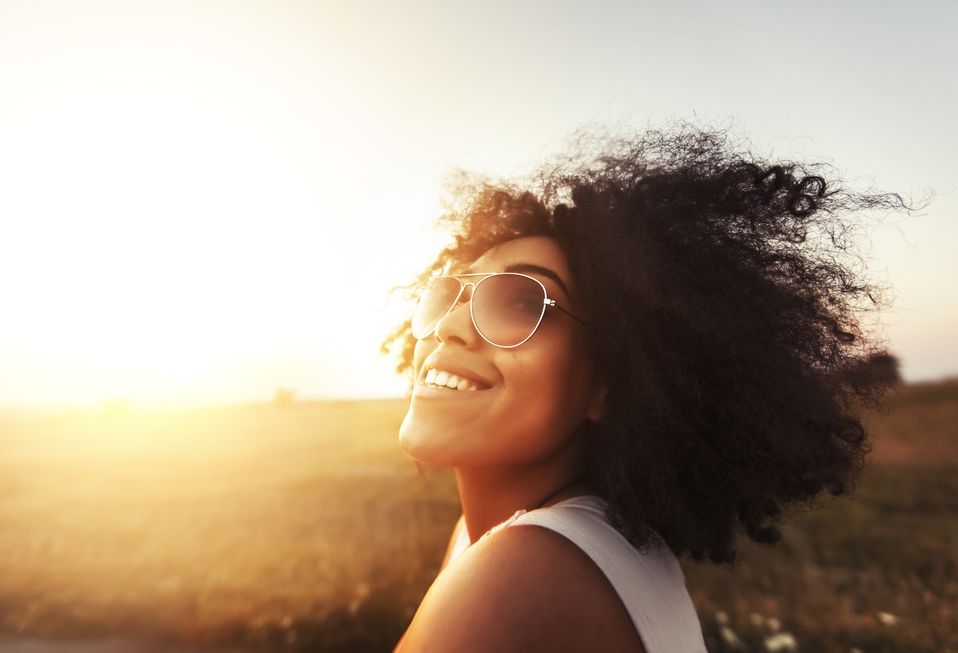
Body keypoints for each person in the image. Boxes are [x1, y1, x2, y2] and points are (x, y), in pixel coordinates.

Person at [380, 124, 906, 652]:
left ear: (609, 382)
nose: (450, 325)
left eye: (520, 302)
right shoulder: (540, 540)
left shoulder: (527, 567)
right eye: (450, 292)